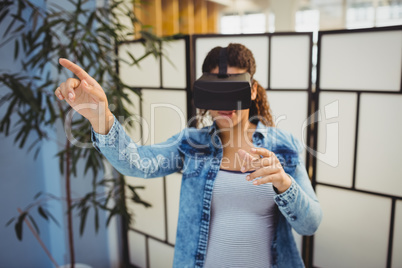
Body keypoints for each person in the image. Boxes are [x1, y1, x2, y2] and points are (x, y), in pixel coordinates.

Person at [55, 43, 322, 268]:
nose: (224, 106)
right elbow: (136, 163)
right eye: (216, 92)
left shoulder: (284, 147)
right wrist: (101, 117)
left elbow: (310, 225)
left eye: (234, 90)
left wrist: (285, 184)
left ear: (252, 90)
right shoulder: (191, 144)